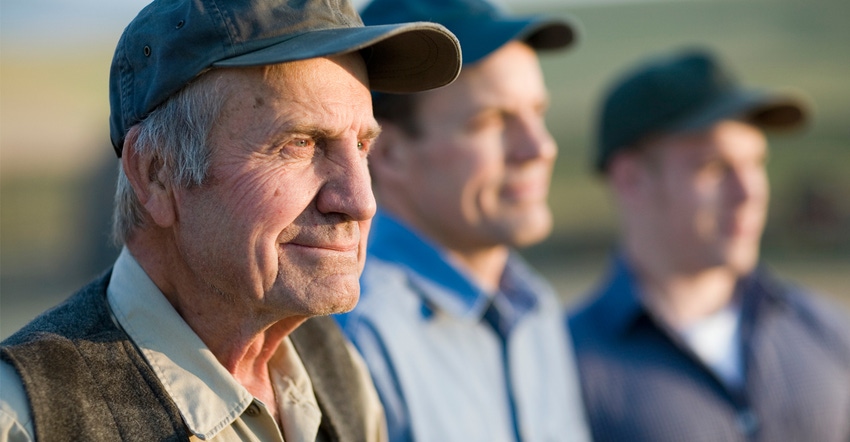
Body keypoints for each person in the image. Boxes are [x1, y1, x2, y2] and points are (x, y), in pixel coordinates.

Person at [0, 0, 462, 440]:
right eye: (300, 144)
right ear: (156, 174)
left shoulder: (336, 370)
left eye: (362, 146)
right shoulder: (28, 418)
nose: (360, 201)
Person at [334, 0, 590, 440]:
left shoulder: (535, 308)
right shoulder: (360, 333)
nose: (538, 147)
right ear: (388, 153)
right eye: (491, 122)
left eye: (538, 113)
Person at [568, 48, 850, 441]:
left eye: (756, 164)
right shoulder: (565, 366)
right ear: (631, 179)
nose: (748, 192)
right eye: (714, 168)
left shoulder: (830, 333)